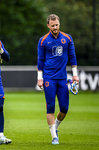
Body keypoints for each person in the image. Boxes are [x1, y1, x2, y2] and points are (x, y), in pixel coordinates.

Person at [37, 14, 79, 145]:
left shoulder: (67, 38)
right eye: (53, 25)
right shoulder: (43, 40)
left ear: (59, 24)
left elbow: (72, 57)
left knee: (64, 108)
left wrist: (75, 75)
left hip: (62, 78)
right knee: (50, 106)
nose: (55, 27)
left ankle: (55, 127)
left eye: (57, 25)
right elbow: (40, 60)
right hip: (49, 77)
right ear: (48, 25)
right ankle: (54, 136)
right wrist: (39, 78)